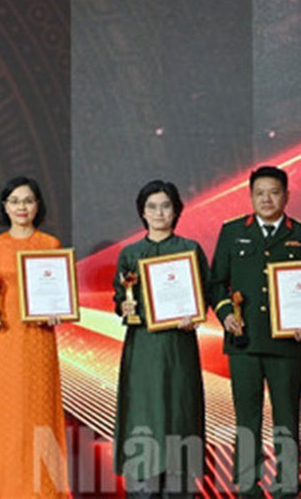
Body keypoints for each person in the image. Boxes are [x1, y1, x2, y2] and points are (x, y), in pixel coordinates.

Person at [0, 176, 70, 499]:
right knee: (4, 413)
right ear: (5, 206)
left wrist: (58, 309)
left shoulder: (50, 244)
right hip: (3, 339)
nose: (22, 207)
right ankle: (0, 488)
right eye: (15, 201)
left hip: (38, 340)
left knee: (38, 411)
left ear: (38, 205)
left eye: (28, 200)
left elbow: (58, 291)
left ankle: (41, 489)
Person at [209, 164, 301, 499]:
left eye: (274, 192)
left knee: (287, 417)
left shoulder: (299, 235)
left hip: (287, 345)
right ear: (250, 196)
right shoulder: (233, 232)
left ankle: (288, 486)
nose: (266, 199)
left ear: (286, 196)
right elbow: (216, 283)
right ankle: (247, 487)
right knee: (246, 418)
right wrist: (224, 315)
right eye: (259, 193)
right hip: (243, 341)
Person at [113, 180, 207, 497]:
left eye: (165, 205)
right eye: (151, 206)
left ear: (176, 210)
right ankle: (141, 485)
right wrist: (124, 305)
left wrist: (192, 315)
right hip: (142, 350)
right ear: (142, 211)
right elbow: (120, 301)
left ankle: (179, 487)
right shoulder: (130, 254)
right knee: (144, 413)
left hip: (179, 348)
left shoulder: (190, 250)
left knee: (180, 412)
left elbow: (202, 297)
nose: (159, 212)